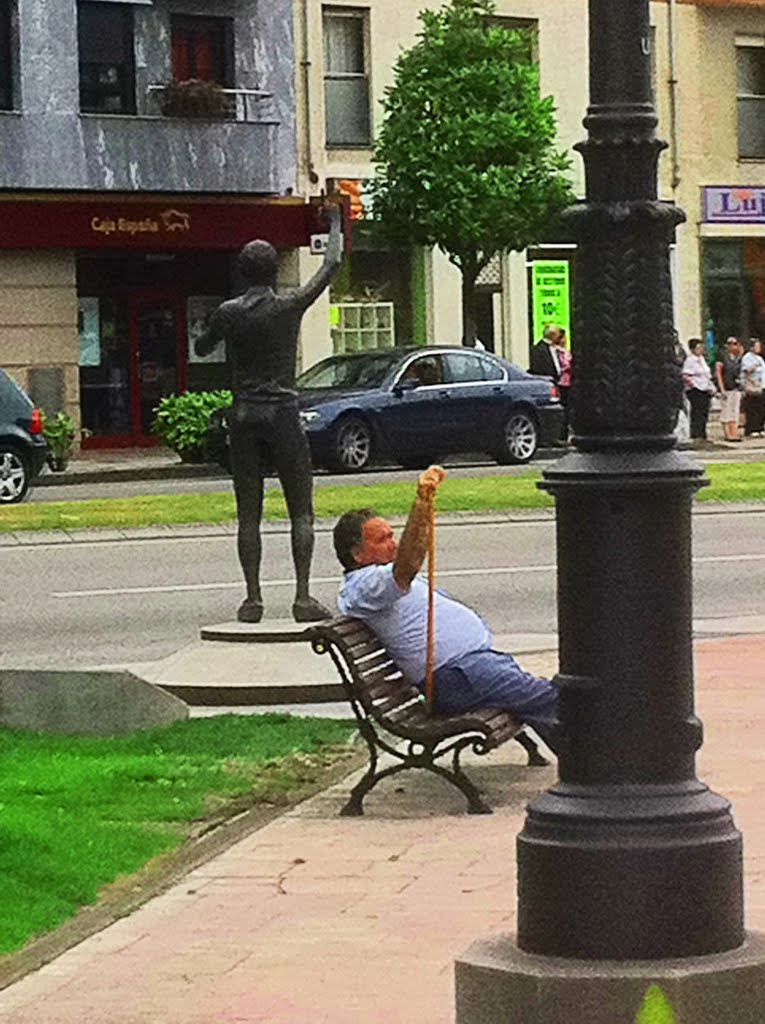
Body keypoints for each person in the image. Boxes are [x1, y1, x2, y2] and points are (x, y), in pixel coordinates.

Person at [332, 466, 559, 749]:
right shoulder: (364, 586)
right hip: (456, 677)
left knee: (544, 699)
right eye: (382, 539)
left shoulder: (376, 579)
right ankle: (598, 762)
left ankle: (579, 759)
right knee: (554, 696)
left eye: (392, 535)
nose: (393, 545)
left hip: (473, 668)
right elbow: (407, 565)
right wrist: (421, 503)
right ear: (357, 555)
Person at [196, 202, 343, 623]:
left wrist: (212, 329)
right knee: (301, 507)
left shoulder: (228, 312)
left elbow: (203, 347)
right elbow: (331, 264)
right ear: (274, 270)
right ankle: (301, 595)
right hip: (281, 412)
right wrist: (333, 221)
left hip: (243, 414)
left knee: (249, 511)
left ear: (243, 272)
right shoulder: (289, 306)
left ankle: (253, 597)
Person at [682, 338, 714, 441]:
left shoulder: (702, 360)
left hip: (705, 388)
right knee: (697, 412)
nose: (701, 350)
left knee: (704, 412)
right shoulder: (690, 360)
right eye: (698, 348)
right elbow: (686, 375)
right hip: (696, 388)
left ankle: (702, 432)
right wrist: (692, 384)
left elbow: (707, 374)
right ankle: (696, 433)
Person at [715, 337, 743, 442]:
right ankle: (727, 433)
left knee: (734, 411)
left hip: (736, 387)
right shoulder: (722, 356)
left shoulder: (737, 358)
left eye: (735, 344)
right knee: (726, 411)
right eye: (730, 344)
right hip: (726, 388)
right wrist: (721, 388)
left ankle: (734, 432)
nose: (733, 346)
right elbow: (718, 373)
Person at [741, 338, 765, 437]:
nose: (759, 348)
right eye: (757, 346)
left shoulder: (760, 358)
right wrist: (754, 366)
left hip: (761, 385)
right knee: (752, 408)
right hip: (752, 385)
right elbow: (746, 370)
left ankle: (760, 427)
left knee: (761, 407)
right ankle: (751, 428)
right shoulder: (747, 357)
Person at [554, 328, 572, 440]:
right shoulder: (559, 352)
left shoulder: (566, 352)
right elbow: (563, 366)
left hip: (569, 382)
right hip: (562, 383)